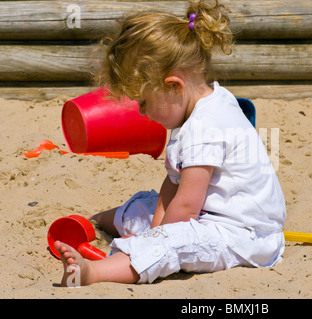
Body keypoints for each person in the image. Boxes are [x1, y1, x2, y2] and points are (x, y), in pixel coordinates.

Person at [55, 0, 286, 286]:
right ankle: (98, 219)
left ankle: (94, 273)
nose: (142, 113)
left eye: (144, 102)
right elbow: (173, 184)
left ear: (174, 85)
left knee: (170, 244)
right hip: (211, 215)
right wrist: (154, 229)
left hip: (244, 235)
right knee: (146, 205)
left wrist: (152, 240)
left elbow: (187, 207)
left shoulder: (205, 127)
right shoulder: (201, 104)